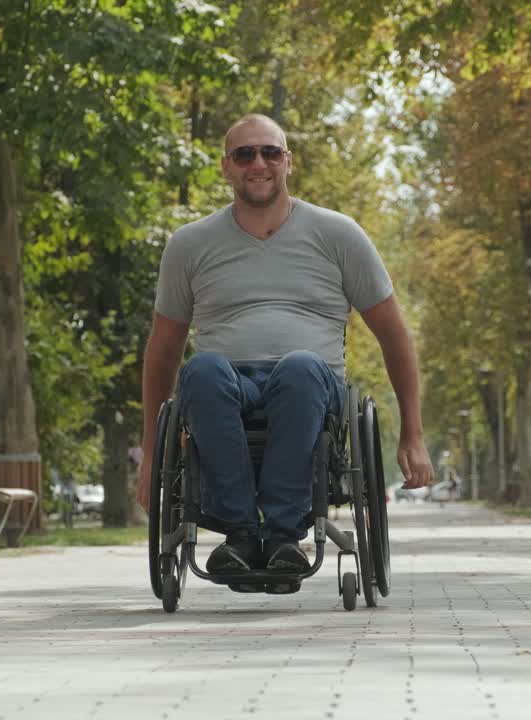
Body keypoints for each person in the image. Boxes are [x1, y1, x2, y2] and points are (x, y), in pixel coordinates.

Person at [136, 113, 434, 576]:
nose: (259, 163)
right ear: (226, 167)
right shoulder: (189, 245)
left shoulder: (338, 235)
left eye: (270, 152)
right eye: (245, 154)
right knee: (202, 369)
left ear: (288, 161)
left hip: (311, 384)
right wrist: (152, 455)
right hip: (225, 382)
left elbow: (394, 335)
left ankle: (281, 536)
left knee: (298, 368)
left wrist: (413, 435)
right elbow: (163, 351)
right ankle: (238, 536)